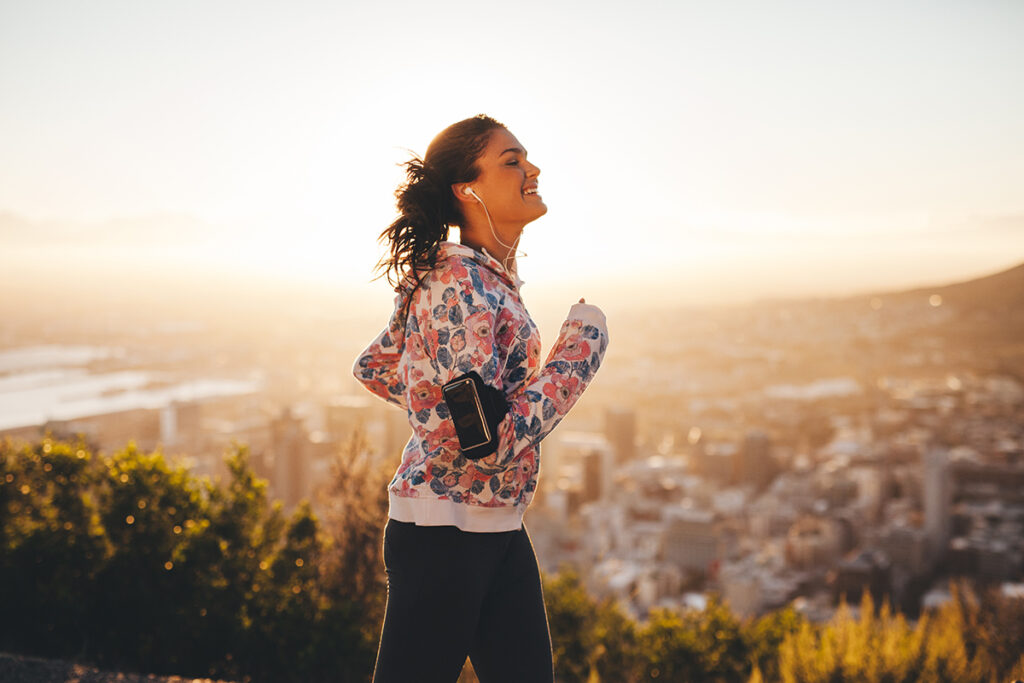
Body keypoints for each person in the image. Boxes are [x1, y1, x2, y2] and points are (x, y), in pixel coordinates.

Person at [353, 114, 609, 683]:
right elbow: (485, 444)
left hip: (492, 526)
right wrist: (581, 349)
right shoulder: (458, 284)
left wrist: (433, 407)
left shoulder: (480, 281)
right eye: (511, 161)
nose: (531, 169)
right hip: (445, 537)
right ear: (468, 191)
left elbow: (375, 367)